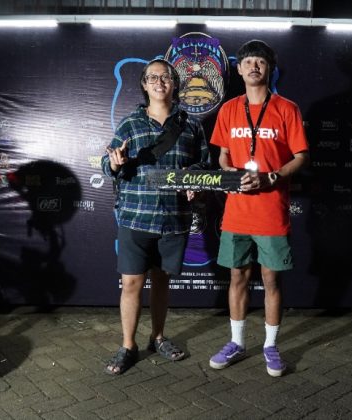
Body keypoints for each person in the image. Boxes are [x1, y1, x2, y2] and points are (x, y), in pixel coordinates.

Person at [101, 59, 210, 375]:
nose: (159, 82)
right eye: (152, 77)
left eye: (165, 77)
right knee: (131, 283)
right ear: (144, 85)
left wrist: (194, 177)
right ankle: (128, 345)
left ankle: (158, 337)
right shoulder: (130, 124)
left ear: (174, 84)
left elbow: (205, 163)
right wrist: (116, 162)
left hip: (174, 218)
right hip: (135, 217)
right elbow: (108, 165)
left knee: (161, 282)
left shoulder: (191, 126)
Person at [208, 40, 309, 377]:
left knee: (270, 279)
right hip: (237, 212)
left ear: (270, 69)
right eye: (248, 61)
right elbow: (222, 154)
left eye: (260, 62)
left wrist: (272, 177)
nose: (254, 66)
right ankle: (236, 342)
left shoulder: (287, 108)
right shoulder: (228, 109)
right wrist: (229, 173)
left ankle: (270, 346)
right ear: (238, 69)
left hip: (271, 210)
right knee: (237, 276)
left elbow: (301, 156)